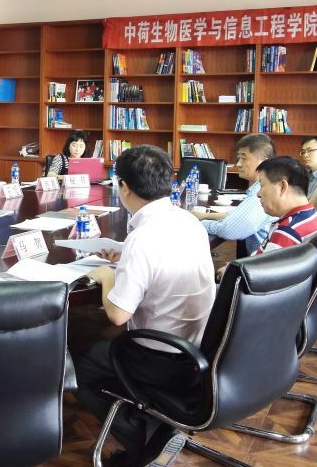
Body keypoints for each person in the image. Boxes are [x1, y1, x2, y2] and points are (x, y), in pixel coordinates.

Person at [76, 145, 215, 467]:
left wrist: (107, 276)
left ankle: (145, 439)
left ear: (123, 187)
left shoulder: (143, 238)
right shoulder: (189, 221)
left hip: (159, 357)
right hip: (198, 345)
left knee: (79, 368)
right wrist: (126, 256)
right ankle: (154, 420)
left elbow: (117, 315)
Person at [191, 133, 276, 255]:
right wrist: (204, 215)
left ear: (263, 162)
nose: (238, 164)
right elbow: (237, 216)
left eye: (244, 158)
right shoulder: (261, 187)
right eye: (239, 158)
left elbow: (228, 229)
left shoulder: (262, 192)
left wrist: (197, 223)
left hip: (261, 262)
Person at [253, 156, 317, 254]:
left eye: (262, 185)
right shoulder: (311, 216)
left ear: (282, 187)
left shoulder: (286, 233)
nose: (258, 194)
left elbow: (261, 264)